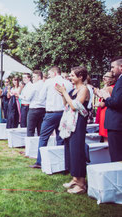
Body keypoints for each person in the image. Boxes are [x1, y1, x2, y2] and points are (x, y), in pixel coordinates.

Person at [30, 66, 73, 169]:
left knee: (43, 137)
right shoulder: (68, 83)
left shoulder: (49, 82)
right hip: (64, 113)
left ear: (54, 73)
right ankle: (61, 162)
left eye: (49, 74)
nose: (48, 76)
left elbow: (41, 97)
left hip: (51, 113)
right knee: (61, 138)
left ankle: (39, 162)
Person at [56, 66, 89, 194]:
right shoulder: (73, 89)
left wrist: (64, 92)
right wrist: (62, 94)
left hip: (78, 123)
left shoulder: (84, 89)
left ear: (80, 77)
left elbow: (75, 106)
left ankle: (81, 184)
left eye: (72, 75)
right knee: (70, 150)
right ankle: (75, 178)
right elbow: (66, 104)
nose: (70, 77)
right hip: (69, 124)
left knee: (77, 151)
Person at [99, 57, 122, 162]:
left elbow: (117, 103)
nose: (111, 70)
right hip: (116, 123)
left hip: (117, 123)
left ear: (120, 67)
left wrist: (106, 97)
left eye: (113, 67)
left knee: (117, 156)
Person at [94, 72, 115, 141]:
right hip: (108, 111)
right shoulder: (111, 87)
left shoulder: (109, 88)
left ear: (112, 79)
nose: (104, 77)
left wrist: (96, 91)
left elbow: (102, 102)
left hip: (105, 112)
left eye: (107, 76)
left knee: (105, 135)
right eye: (104, 76)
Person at [25, 70, 46, 136]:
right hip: (43, 109)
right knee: (41, 130)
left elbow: (28, 98)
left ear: (39, 77)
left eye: (34, 77)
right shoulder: (45, 85)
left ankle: (30, 145)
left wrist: (21, 96)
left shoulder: (34, 85)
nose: (32, 78)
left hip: (34, 109)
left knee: (30, 129)